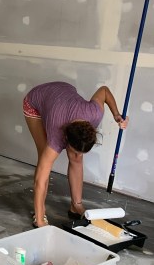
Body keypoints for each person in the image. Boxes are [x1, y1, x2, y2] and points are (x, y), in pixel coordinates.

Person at [23, 81, 128, 228]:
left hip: (64, 90)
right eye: (73, 148)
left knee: (76, 157)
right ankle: (39, 213)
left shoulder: (94, 113)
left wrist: (117, 115)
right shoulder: (56, 136)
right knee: (44, 159)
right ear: (65, 138)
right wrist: (40, 221)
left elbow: (104, 91)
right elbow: (40, 179)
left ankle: (76, 206)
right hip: (36, 100)